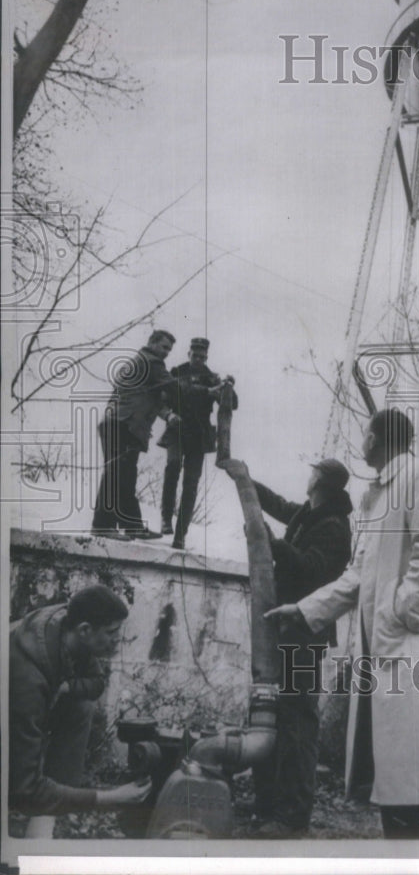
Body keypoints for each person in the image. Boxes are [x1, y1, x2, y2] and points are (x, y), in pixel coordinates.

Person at [266, 409, 419, 840]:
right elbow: (360, 575)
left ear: (375, 439)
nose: (363, 440)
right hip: (399, 661)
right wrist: (306, 610)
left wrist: (401, 616)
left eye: (365, 433)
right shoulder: (378, 496)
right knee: (404, 798)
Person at [250, 458, 352, 836]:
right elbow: (276, 503)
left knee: (297, 723)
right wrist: (247, 480)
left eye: (312, 472)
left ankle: (292, 817)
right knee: (271, 715)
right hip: (286, 630)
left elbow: (312, 569)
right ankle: (270, 805)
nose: (306, 475)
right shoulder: (310, 514)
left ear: (320, 481)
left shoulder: (334, 527)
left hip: (306, 636)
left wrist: (272, 544)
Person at [8, 585, 151, 835]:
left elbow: (95, 683)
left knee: (80, 705)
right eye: (112, 632)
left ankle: (44, 821)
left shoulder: (70, 634)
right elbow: (24, 791)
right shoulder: (28, 680)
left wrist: (66, 687)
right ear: (85, 630)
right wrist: (111, 798)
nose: (118, 639)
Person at [91, 329, 179, 541]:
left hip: (119, 423)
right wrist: (204, 391)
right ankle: (102, 526)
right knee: (116, 473)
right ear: (152, 342)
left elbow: (149, 396)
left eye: (169, 349)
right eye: (164, 346)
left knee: (126, 476)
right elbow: (174, 388)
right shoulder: (152, 362)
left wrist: (167, 414)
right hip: (124, 425)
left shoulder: (139, 362)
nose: (166, 352)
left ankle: (133, 526)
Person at [158, 337, 237, 549]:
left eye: (203, 357)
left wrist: (229, 386)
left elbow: (231, 404)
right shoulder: (177, 372)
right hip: (177, 429)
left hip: (199, 436)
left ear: (207, 357)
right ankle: (165, 518)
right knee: (173, 465)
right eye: (195, 355)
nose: (199, 359)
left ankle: (180, 534)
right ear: (189, 354)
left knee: (191, 484)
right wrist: (168, 415)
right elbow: (162, 400)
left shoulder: (211, 378)